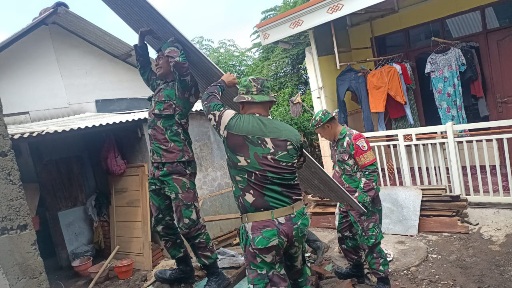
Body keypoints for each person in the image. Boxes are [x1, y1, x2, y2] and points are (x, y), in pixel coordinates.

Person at [134, 28, 229, 287]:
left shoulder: (183, 87)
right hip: (158, 171)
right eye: (156, 58)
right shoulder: (158, 88)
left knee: (189, 223)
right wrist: (142, 44)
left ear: (172, 62)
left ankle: (215, 273)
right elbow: (144, 69)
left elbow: (181, 62)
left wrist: (166, 43)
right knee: (163, 223)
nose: (157, 61)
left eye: (161, 58)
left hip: (179, 169)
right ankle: (184, 268)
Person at [201, 73, 311, 288]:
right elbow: (298, 164)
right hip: (295, 220)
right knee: (299, 276)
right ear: (270, 103)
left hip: (263, 226)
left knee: (268, 282)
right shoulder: (292, 134)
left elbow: (208, 98)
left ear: (242, 103)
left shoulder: (230, 123)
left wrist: (223, 83)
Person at [310, 109, 391, 288]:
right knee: (346, 237)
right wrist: (327, 188)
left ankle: (383, 280)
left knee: (369, 242)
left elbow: (371, 173)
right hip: (345, 200)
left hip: (362, 202)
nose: (321, 137)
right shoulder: (334, 143)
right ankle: (357, 270)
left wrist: (360, 202)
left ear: (328, 126)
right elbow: (340, 170)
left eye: (321, 132)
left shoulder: (355, 139)